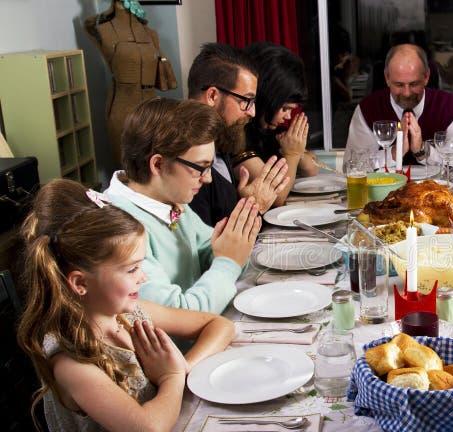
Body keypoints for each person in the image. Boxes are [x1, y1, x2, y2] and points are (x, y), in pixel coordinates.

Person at [19, 179, 234, 432]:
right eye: (131, 269)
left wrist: (181, 368)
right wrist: (171, 380)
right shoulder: (70, 358)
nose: (143, 277)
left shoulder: (129, 313)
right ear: (80, 283)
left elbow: (219, 325)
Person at [105, 97, 261, 314]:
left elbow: (213, 250)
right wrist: (228, 262)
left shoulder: (167, 199)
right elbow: (180, 314)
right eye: (200, 168)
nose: (207, 179)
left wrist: (235, 244)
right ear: (158, 164)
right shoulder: (119, 229)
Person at [186, 43, 290, 226]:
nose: (252, 112)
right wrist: (252, 209)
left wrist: (243, 203)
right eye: (246, 101)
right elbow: (204, 248)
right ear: (212, 96)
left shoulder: (221, 137)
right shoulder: (185, 156)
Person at [345, 44, 453, 169]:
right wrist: (394, 153)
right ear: (387, 78)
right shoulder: (367, 108)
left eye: (414, 84)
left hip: (437, 189)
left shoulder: (449, 106)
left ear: (426, 77)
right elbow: (352, 165)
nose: (407, 93)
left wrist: (423, 151)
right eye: (399, 85)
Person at [84, 0, 177, 164]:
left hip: (151, 106)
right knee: (127, 166)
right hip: (122, 106)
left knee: (156, 163)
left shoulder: (150, 33)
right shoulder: (103, 29)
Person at [243, 42, 319, 207]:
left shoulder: (271, 130)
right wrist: (291, 155)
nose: (288, 116)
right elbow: (276, 198)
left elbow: (312, 171)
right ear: (266, 97)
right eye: (285, 108)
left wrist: (298, 151)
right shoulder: (241, 137)